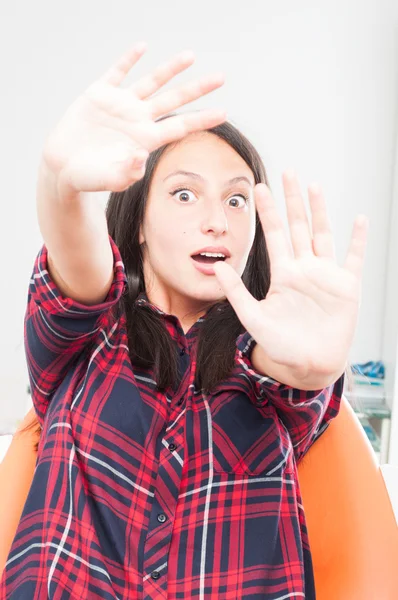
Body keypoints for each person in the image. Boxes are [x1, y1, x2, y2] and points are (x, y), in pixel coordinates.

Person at [0, 42, 368, 599]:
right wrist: (60, 185)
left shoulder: (269, 363)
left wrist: (311, 370)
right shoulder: (88, 342)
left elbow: (285, 371)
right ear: (140, 219)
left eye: (237, 201)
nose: (216, 221)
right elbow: (78, 259)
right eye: (184, 194)